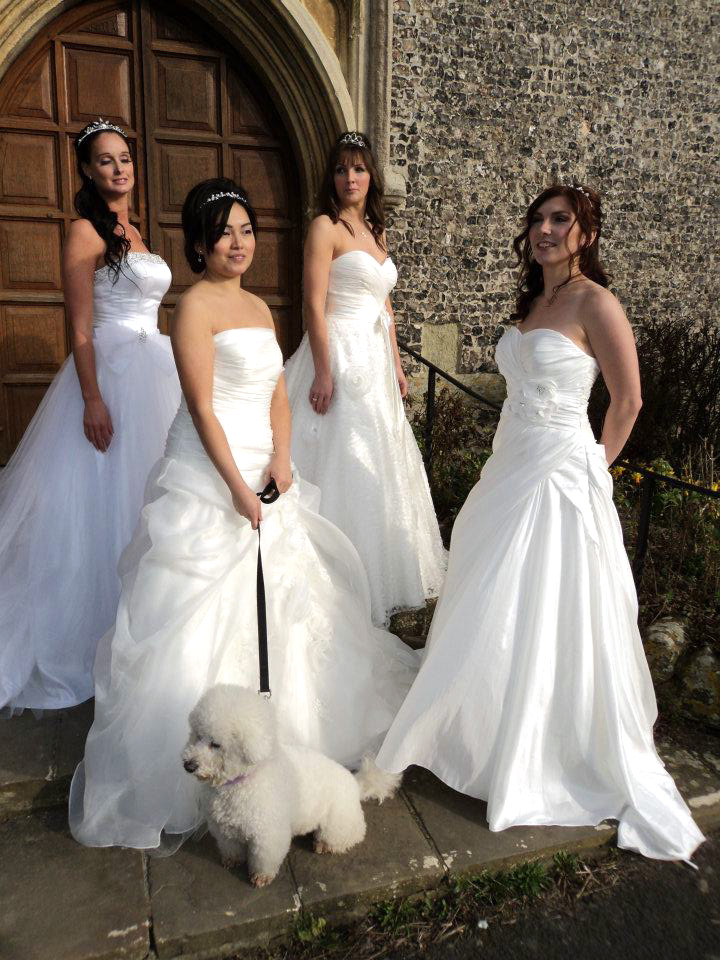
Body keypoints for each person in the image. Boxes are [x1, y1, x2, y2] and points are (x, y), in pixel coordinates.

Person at [69, 178, 418, 852]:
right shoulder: (194, 307)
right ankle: (208, 756)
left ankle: (290, 742)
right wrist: (234, 486)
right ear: (200, 245)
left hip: (266, 469)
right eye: (224, 232)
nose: (239, 242)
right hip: (210, 471)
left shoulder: (259, 307)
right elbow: (202, 408)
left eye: (247, 230)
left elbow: (277, 395)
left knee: (294, 604)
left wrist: (283, 458)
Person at [375, 184, 704, 862]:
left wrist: (593, 467)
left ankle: (538, 748)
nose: (546, 230)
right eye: (538, 220)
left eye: (562, 220)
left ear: (586, 234)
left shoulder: (596, 303)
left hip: (562, 472)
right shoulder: (531, 305)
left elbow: (629, 400)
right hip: (510, 465)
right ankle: (481, 729)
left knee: (549, 601)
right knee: (493, 597)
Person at [0, 119, 180, 714]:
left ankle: (151, 625)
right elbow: (79, 327)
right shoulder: (84, 231)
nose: (119, 169)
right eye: (105, 160)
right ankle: (100, 631)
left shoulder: (136, 231)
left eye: (124, 158)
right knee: (107, 502)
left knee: (156, 490)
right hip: (110, 372)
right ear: (86, 170)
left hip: (154, 366)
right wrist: (93, 397)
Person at [283, 131, 446, 626]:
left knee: (379, 459)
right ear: (331, 178)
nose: (349, 178)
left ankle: (378, 572)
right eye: (341, 169)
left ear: (372, 176)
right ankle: (334, 579)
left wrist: (396, 364)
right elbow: (313, 304)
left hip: (375, 360)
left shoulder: (377, 231)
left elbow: (386, 307)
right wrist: (323, 370)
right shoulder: (324, 227)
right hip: (339, 352)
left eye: (357, 169)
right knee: (343, 456)